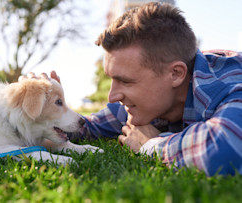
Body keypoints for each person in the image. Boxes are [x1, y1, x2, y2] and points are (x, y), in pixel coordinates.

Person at [29, 2, 242, 176]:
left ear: (176, 74)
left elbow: (226, 149)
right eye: (112, 80)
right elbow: (83, 129)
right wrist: (41, 109)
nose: (113, 95)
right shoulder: (136, 104)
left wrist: (149, 145)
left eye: (126, 81)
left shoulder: (229, 82)